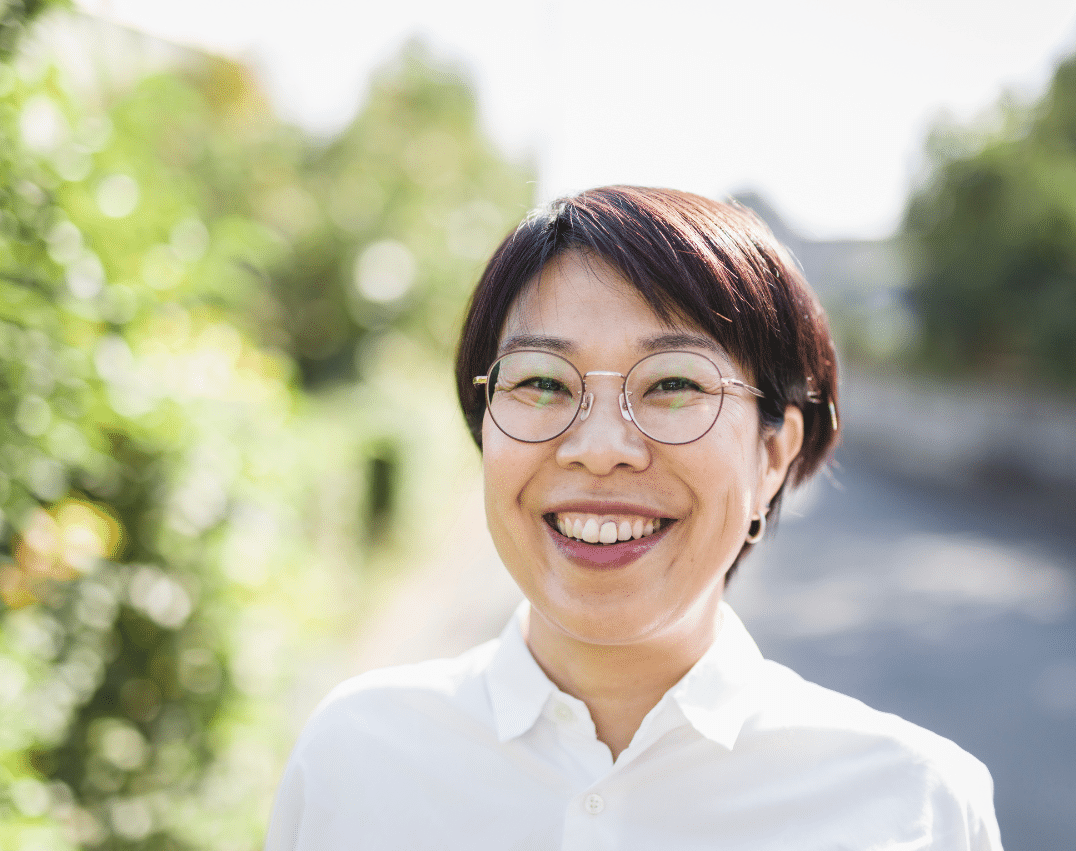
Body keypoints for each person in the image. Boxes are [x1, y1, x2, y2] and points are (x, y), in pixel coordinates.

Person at [265, 186, 1002, 850]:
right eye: (544, 382)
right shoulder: (355, 757)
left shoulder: (915, 804)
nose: (600, 449)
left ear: (772, 454)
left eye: (674, 383)